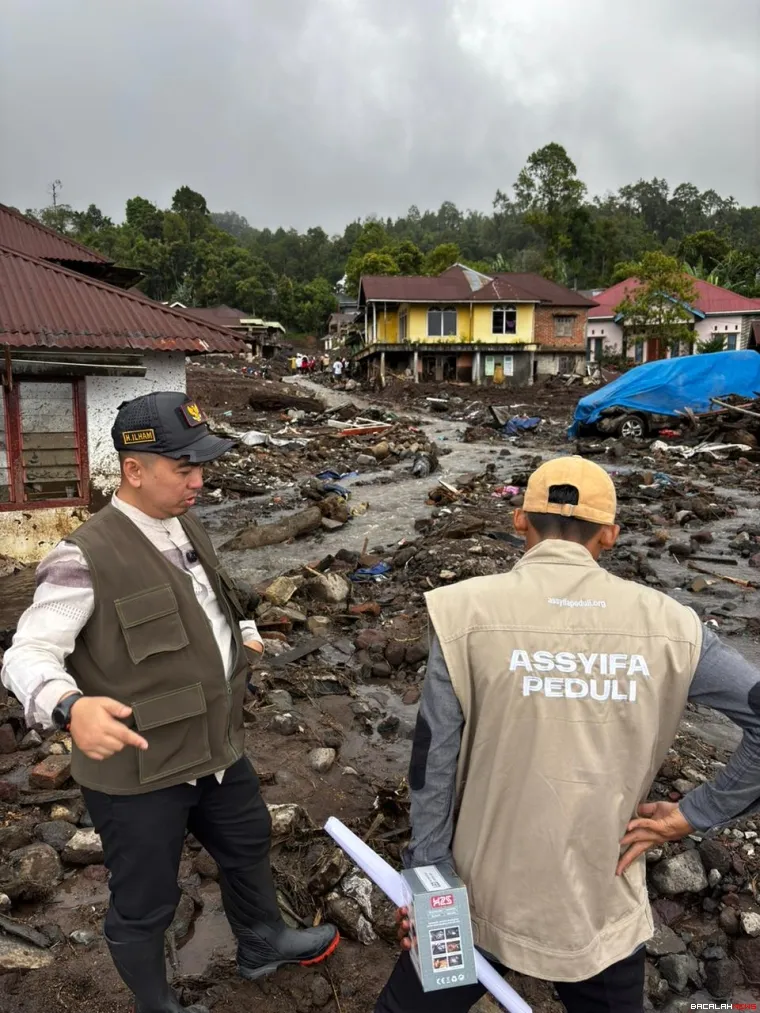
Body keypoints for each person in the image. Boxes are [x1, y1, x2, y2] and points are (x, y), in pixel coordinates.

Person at [375, 456, 760, 1013]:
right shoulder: (673, 626)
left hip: (481, 899)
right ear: (610, 534)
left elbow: (432, 761)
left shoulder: (464, 611)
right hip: (599, 905)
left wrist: (429, 881)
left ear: (519, 521)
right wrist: (693, 813)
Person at [2, 392, 338, 1013]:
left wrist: (244, 634)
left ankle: (262, 941)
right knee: (147, 900)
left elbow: (215, 600)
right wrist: (71, 708)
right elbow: (25, 654)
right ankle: (156, 1005)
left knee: (247, 843)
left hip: (214, 747)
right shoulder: (81, 558)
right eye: (183, 468)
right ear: (134, 468)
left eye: (201, 466)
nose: (198, 481)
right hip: (139, 770)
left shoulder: (187, 525)